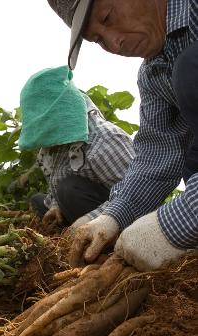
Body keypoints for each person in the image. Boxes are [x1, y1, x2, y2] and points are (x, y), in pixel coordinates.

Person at [47, 0, 198, 271]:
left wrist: (180, 220)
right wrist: (112, 218)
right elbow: (157, 154)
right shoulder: (154, 73)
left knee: (191, 70)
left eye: (107, 18)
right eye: (98, 40)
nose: (115, 44)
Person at [18, 65, 135, 228]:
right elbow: (55, 186)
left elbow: (138, 195)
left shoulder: (104, 140)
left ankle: (98, 243)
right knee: (39, 201)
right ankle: (66, 237)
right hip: (82, 206)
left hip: (121, 215)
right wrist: (55, 206)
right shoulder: (54, 146)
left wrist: (90, 219)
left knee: (69, 190)